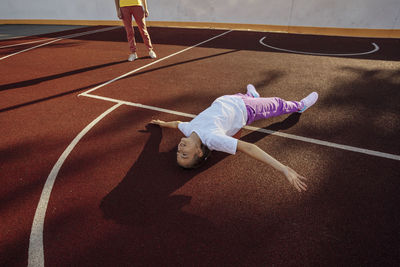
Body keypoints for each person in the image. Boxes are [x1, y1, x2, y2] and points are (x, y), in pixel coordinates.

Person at [150, 84, 318, 192]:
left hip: (230, 99)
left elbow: (177, 123)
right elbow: (249, 148)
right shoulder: (211, 138)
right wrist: (282, 168)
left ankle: (251, 94)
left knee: (246, 95)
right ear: (199, 152)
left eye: (178, 153)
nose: (179, 150)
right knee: (278, 104)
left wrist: (162, 123)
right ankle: (300, 106)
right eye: (184, 154)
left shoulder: (188, 130)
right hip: (247, 109)